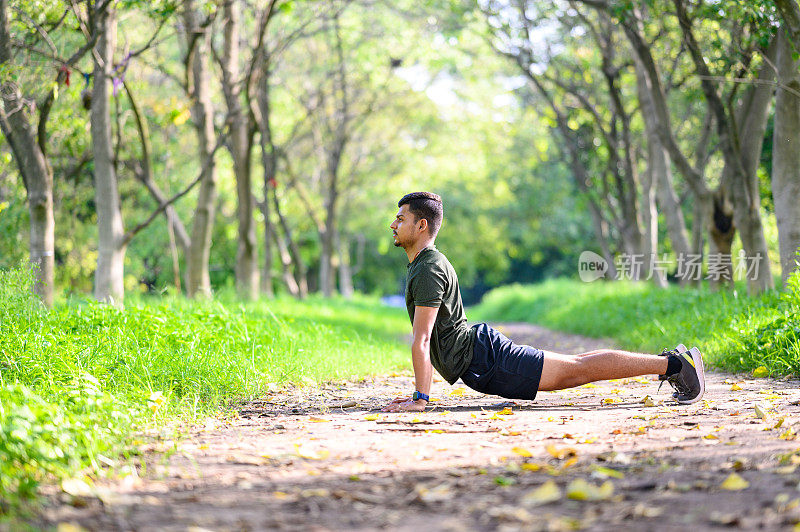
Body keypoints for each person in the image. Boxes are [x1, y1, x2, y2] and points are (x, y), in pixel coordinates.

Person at [382, 191, 705, 413]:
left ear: (421, 225)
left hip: (488, 359)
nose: (393, 225)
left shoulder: (428, 268)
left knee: (577, 371)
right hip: (484, 355)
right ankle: (674, 363)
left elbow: (422, 339)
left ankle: (676, 365)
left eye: (400, 218)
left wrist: (420, 398)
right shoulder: (424, 265)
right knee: (577, 365)